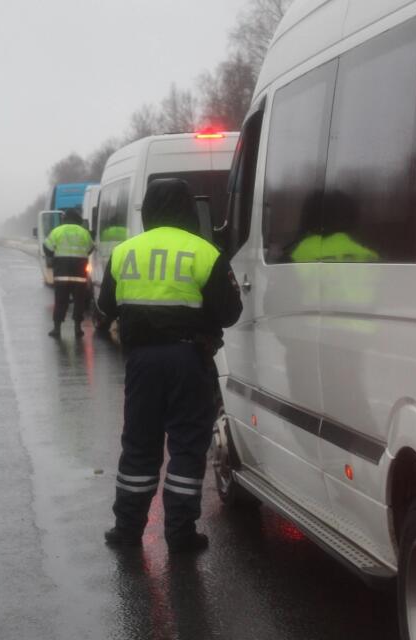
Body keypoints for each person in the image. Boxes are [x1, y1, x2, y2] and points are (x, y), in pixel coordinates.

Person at [97, 178, 243, 553]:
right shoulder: (204, 253)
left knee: (139, 445)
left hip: (142, 362)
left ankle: (127, 529)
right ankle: (180, 533)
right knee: (186, 446)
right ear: (188, 210)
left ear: (147, 210)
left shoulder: (125, 252)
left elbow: (105, 307)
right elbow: (229, 313)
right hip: (189, 359)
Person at [42, 209, 94, 338]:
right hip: (79, 275)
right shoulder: (84, 232)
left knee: (60, 301)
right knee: (79, 302)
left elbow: (47, 247)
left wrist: (53, 256)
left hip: (61, 274)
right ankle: (77, 329)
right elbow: (90, 248)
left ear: (65, 219)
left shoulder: (57, 231)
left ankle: (57, 328)